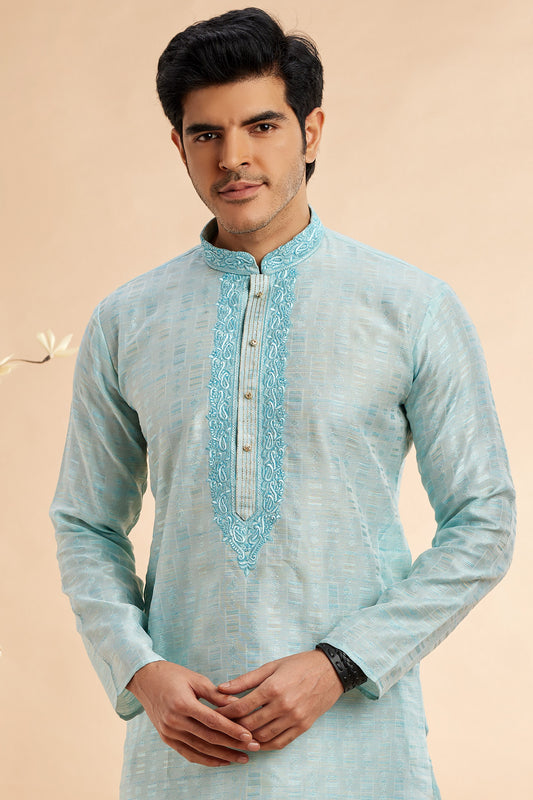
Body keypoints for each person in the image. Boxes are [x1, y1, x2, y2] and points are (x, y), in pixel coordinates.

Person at [50, 7, 515, 799]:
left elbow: (483, 523)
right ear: (178, 145)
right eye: (205, 134)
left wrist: (339, 664)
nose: (232, 157)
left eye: (261, 126)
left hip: (359, 749)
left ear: (311, 131)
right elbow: (85, 523)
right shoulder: (127, 320)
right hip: (184, 752)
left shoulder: (409, 307)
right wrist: (140, 670)